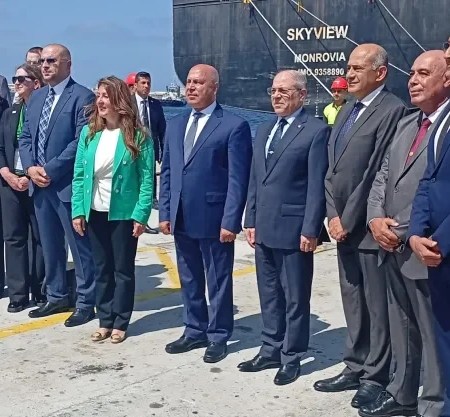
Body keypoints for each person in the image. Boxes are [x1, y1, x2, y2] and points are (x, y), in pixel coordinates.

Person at [315, 44, 408, 409]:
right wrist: (331, 215)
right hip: (341, 225)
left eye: (357, 68)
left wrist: (348, 219)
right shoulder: (346, 110)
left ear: (380, 73)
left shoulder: (392, 110)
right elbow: (332, 168)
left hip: (367, 226)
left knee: (376, 304)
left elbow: (375, 173)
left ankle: (376, 375)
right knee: (353, 299)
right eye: (348, 67)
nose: (349, 74)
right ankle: (355, 364)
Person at [363, 50, 450, 417]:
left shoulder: (445, 128)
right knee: (402, 325)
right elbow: (384, 174)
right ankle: (403, 394)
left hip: (423, 244)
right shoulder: (407, 124)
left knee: (434, 331)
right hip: (391, 243)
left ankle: (434, 403)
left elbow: (431, 190)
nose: (413, 80)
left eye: (424, 73)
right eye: (412, 73)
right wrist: (374, 219)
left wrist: (401, 229)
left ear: (447, 78)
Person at [238, 70, 330, 385]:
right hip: (263, 226)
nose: (276, 96)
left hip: (294, 229)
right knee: (269, 293)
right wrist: (250, 219)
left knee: (295, 297)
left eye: (284, 91)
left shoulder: (316, 131)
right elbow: (256, 178)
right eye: (273, 90)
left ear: (302, 95)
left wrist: (311, 228)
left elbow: (316, 185)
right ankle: (270, 349)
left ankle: (291, 355)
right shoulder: (265, 129)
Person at [159, 64, 252, 363]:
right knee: (188, 277)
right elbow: (169, 171)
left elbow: (238, 179)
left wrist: (231, 220)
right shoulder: (176, 124)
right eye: (188, 82)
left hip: (214, 217)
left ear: (214, 88)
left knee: (218, 279)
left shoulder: (233, 126)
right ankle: (194, 329)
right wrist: (165, 212)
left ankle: (219, 334)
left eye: (198, 82)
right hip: (181, 215)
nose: (191, 87)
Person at [72, 76, 154, 344]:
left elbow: (146, 179)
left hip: (123, 213)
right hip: (95, 210)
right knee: (101, 268)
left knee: (123, 270)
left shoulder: (138, 136)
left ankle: (121, 321)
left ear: (120, 100)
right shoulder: (89, 133)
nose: (100, 101)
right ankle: (105, 319)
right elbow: (79, 175)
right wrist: (78, 210)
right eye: (98, 95)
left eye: (105, 96)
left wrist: (141, 214)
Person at [18, 43, 96, 327]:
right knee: (50, 246)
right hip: (39, 186)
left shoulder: (83, 97)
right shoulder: (37, 97)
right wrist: (30, 168)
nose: (45, 66)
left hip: (66, 186)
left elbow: (81, 141)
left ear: (68, 65)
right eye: (43, 61)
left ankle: (86, 302)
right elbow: (26, 137)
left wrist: (49, 170)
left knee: (80, 247)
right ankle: (56, 295)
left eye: (51, 61)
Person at [408, 36, 450, 414]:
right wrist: (415, 235)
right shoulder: (442, 120)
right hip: (437, 255)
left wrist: (439, 241)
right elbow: (428, 181)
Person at [0, 64, 46, 312]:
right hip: (9, 181)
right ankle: (17, 294)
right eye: (15, 79)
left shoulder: (42, 112)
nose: (16, 83)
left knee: (40, 238)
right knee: (14, 237)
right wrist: (6, 173)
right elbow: (0, 147)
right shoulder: (10, 113)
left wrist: (29, 175)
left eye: (22, 79)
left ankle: (39, 289)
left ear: (36, 83)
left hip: (35, 182)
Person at [132, 71, 166, 215]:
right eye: (143, 83)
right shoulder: (128, 103)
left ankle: (152, 200)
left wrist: (164, 152)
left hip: (151, 148)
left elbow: (162, 130)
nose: (146, 86)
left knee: (150, 174)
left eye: (148, 83)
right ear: (135, 85)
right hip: (132, 147)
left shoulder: (155, 105)